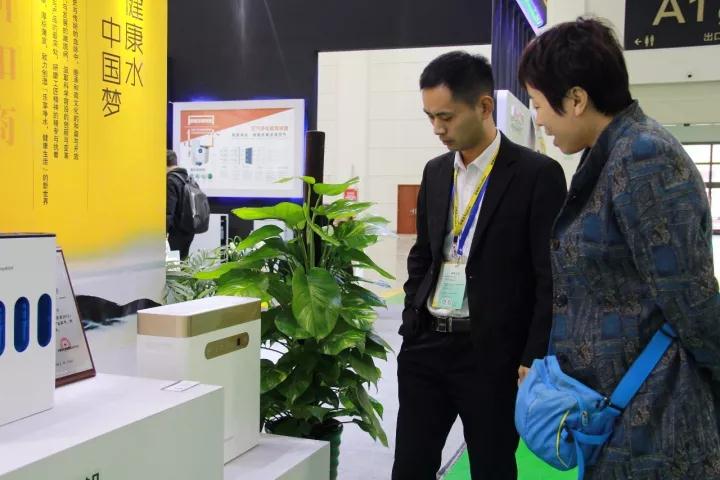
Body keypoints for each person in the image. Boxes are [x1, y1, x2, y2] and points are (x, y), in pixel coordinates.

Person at [518, 18, 720, 478]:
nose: (539, 120)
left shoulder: (644, 157)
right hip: (618, 411)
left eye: (539, 104)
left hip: (659, 422)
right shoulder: (606, 154)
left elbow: (692, 302)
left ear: (576, 99)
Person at [393, 51, 567, 479]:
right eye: (430, 117)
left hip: (492, 355)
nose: (437, 128)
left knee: (492, 466)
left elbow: (550, 276)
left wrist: (534, 354)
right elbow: (424, 253)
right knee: (410, 466)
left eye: (446, 117)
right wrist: (412, 315)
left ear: (484, 106)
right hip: (426, 346)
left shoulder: (537, 175)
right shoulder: (436, 172)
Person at [166, 149, 194, 259]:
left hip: (176, 232)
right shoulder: (187, 178)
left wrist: (164, 231)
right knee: (181, 262)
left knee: (173, 265)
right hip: (188, 230)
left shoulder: (171, 180)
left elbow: (169, 210)